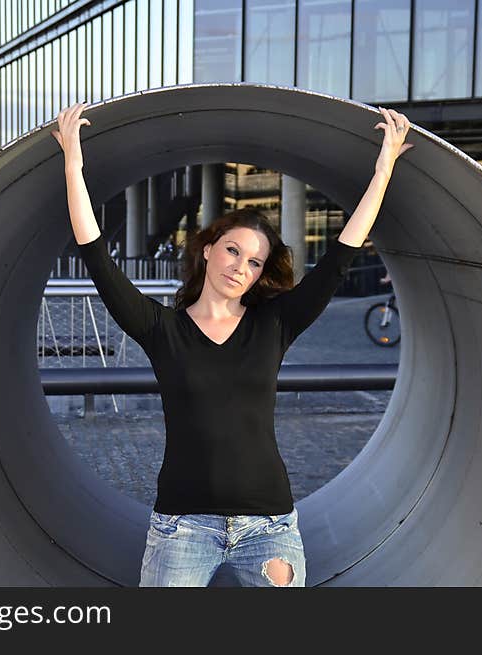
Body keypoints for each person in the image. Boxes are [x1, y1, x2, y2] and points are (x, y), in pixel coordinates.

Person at [53, 102, 413, 587]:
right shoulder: (163, 329)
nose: (241, 266)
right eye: (233, 250)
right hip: (182, 527)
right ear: (208, 249)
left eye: (255, 262)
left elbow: (340, 258)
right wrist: (74, 165)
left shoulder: (275, 324)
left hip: (268, 528)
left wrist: (383, 168)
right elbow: (96, 257)